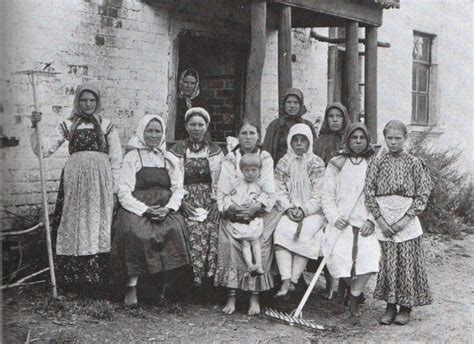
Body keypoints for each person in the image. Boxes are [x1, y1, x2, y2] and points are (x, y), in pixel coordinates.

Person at [29, 83, 122, 293]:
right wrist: (35, 126)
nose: (88, 104)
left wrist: (114, 190)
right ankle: (72, 281)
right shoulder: (68, 124)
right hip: (75, 182)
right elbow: (43, 150)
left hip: (100, 182)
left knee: (98, 223)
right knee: (75, 222)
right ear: (77, 101)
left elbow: (116, 160)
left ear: (98, 102)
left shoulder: (107, 126)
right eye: (83, 100)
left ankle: (98, 282)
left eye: (92, 100)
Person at [111, 115, 190, 307]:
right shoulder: (132, 157)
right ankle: (132, 286)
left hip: (164, 205)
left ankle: (164, 287)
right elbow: (123, 191)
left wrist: (169, 208)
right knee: (135, 233)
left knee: (175, 230)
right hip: (138, 206)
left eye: (157, 131)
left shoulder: (168, 158)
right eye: (149, 131)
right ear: (142, 132)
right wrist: (145, 210)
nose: (154, 135)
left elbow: (178, 188)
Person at [365, 120, 433, 325]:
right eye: (389, 138)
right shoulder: (376, 163)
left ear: (405, 139)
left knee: (406, 263)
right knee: (387, 264)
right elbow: (369, 193)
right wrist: (380, 220)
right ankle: (389, 306)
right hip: (384, 219)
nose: (393, 142)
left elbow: (423, 192)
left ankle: (405, 306)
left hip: (406, 220)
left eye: (398, 138)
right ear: (384, 138)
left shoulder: (414, 163)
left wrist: (407, 218)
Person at [215, 120, 278, 315]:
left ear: (258, 136)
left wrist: (256, 207)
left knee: (263, 241)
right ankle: (232, 296)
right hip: (235, 210)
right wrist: (231, 208)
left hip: (258, 211)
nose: (248, 137)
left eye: (252, 133)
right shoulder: (230, 159)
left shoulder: (265, 158)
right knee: (228, 241)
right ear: (238, 136)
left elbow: (270, 190)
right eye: (244, 133)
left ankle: (254, 297)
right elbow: (222, 192)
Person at [322, 123, 380, 318]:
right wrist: (334, 217)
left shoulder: (374, 163)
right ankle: (343, 290)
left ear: (367, 140)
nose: (358, 141)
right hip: (342, 222)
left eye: (362, 138)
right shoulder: (336, 163)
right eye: (353, 138)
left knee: (371, 257)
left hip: (365, 223)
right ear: (347, 140)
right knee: (337, 256)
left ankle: (354, 293)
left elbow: (379, 196)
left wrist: (371, 220)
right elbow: (327, 195)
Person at [169, 107, 224, 287]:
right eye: (193, 124)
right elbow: (173, 179)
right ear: (186, 126)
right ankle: (191, 281)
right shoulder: (178, 150)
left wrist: (216, 202)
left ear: (206, 127)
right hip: (186, 197)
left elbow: (220, 179)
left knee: (214, 226)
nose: (197, 128)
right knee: (192, 227)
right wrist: (181, 202)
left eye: (201, 125)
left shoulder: (215, 150)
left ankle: (210, 281)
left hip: (209, 197)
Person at [273, 123, 326, 297]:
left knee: (305, 234)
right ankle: (285, 280)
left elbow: (320, 195)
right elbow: (278, 190)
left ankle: (294, 280)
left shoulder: (317, 163)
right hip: (289, 209)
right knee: (281, 230)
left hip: (312, 212)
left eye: (303, 140)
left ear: (309, 142)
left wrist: (304, 210)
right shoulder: (284, 162)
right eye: (295, 140)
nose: (298, 144)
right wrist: (289, 208)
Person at [219, 153, 265, 276]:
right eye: (247, 170)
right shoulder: (237, 185)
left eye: (254, 170)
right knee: (245, 242)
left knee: (255, 241)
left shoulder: (260, 186)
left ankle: (258, 265)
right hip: (240, 219)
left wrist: (256, 205)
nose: (250, 173)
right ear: (242, 171)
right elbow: (228, 196)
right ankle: (250, 265)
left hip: (252, 219)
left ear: (259, 171)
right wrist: (232, 206)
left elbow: (264, 198)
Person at [262, 88, 318, 166]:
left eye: (296, 102)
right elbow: (267, 151)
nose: (292, 106)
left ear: (300, 105)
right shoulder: (275, 125)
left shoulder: (308, 125)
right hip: (279, 169)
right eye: (289, 102)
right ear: (284, 104)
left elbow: (314, 150)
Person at [174, 69, 208, 140]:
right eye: (186, 82)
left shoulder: (201, 102)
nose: (189, 86)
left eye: (192, 83)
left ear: (196, 84)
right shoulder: (174, 100)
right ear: (180, 82)